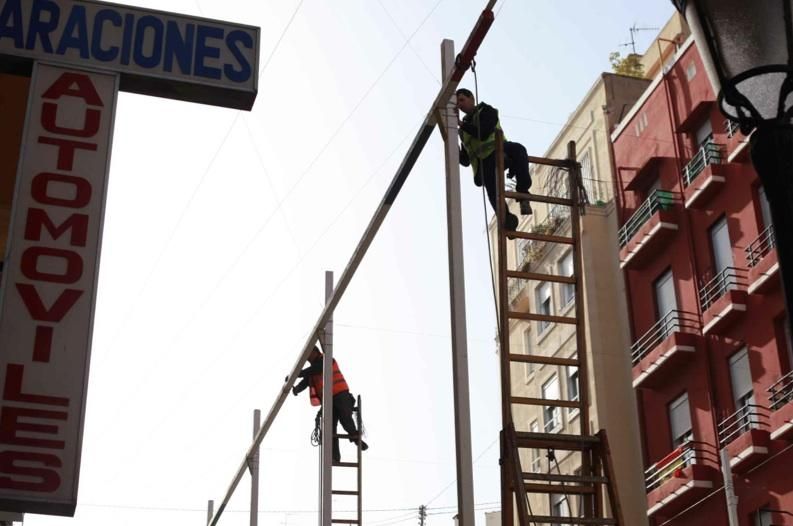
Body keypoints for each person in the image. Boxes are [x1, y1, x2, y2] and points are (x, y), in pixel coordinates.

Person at [456, 88, 532, 232]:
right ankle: (507, 221)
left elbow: (483, 132)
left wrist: (461, 124)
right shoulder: (463, 130)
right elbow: (466, 160)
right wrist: (456, 152)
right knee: (493, 192)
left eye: (462, 100)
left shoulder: (486, 111)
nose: (460, 105)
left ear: (472, 98)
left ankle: (523, 193)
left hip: (500, 151)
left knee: (519, 150)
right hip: (484, 164)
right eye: (458, 103)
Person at [292, 346, 368, 462]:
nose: (307, 358)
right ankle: (335, 456)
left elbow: (316, 369)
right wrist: (296, 389)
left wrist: (298, 373)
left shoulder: (326, 360)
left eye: (309, 355)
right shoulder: (312, 369)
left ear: (315, 352)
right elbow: (306, 380)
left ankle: (355, 438)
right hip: (328, 400)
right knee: (330, 429)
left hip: (340, 394)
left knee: (345, 418)